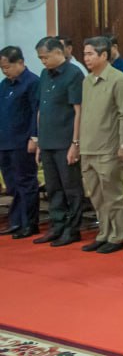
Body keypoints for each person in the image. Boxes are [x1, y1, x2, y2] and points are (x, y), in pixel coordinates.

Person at [78, 36, 123, 254]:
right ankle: (103, 233)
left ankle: (117, 236)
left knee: (113, 195)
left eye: (90, 54)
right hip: (88, 147)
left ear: (104, 55)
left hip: (109, 148)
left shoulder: (119, 79)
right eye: (84, 54)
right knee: (96, 195)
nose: (86, 58)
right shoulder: (87, 81)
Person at [32, 36, 85, 247]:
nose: (43, 61)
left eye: (45, 57)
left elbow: (78, 111)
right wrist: (39, 140)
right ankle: (57, 225)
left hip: (65, 141)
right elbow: (41, 109)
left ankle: (73, 229)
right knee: (53, 188)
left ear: (58, 52)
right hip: (47, 140)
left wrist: (75, 143)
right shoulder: (44, 74)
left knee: (71, 188)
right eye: (40, 58)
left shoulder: (74, 74)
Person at [0, 47, 41, 238]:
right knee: (12, 184)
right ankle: (16, 221)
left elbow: (35, 112)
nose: (5, 71)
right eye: (2, 68)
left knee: (26, 182)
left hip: (23, 142)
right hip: (5, 142)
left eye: (7, 67)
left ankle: (29, 223)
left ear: (20, 63)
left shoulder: (32, 82)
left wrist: (34, 137)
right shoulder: (4, 84)